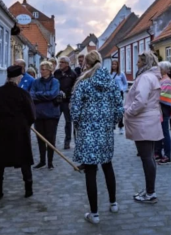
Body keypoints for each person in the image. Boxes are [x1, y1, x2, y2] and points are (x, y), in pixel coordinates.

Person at [70, 51, 123, 224]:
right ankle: (113, 203)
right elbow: (119, 107)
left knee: (91, 171)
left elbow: (75, 109)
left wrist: (78, 123)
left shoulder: (84, 83)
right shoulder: (111, 82)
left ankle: (94, 213)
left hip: (87, 132)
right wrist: (112, 123)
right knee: (108, 165)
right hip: (106, 132)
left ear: (86, 64)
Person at [0, 65, 36, 200]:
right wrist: (26, 124)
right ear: (18, 78)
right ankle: (28, 189)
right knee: (24, 158)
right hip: (20, 130)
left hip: (3, 129)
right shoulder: (23, 94)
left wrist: (2, 113)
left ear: (7, 77)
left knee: (0, 160)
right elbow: (32, 115)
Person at [124, 51, 163, 204]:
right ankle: (149, 190)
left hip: (143, 121)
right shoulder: (151, 76)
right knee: (149, 157)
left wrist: (128, 111)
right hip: (148, 120)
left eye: (139, 61)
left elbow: (140, 101)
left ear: (145, 63)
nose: (136, 64)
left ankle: (150, 193)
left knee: (147, 157)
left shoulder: (146, 77)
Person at [29, 61, 61, 170]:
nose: (41, 71)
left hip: (51, 114)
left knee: (50, 138)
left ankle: (50, 162)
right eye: (41, 69)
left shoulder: (55, 81)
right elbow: (31, 94)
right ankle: (42, 160)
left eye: (44, 69)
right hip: (38, 113)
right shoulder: (36, 82)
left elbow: (53, 94)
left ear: (50, 70)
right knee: (40, 138)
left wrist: (40, 95)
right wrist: (44, 96)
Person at [54, 56, 79, 149]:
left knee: (68, 122)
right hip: (57, 101)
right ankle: (52, 141)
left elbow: (75, 88)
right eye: (60, 62)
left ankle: (67, 142)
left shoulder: (73, 74)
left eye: (62, 62)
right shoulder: (56, 72)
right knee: (54, 121)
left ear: (67, 64)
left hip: (67, 101)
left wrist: (68, 94)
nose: (60, 63)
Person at [155, 61, 171, 165]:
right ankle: (158, 152)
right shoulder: (160, 79)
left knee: (165, 132)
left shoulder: (166, 81)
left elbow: (163, 96)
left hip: (164, 110)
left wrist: (153, 96)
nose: (158, 70)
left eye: (159, 68)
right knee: (159, 132)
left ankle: (167, 156)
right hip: (159, 109)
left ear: (164, 70)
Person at [110, 59, 128, 135]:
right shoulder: (109, 74)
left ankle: (120, 126)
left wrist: (122, 89)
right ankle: (112, 126)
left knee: (120, 109)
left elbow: (125, 83)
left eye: (115, 64)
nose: (114, 65)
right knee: (112, 110)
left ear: (117, 65)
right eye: (112, 64)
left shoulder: (121, 74)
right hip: (111, 93)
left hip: (119, 93)